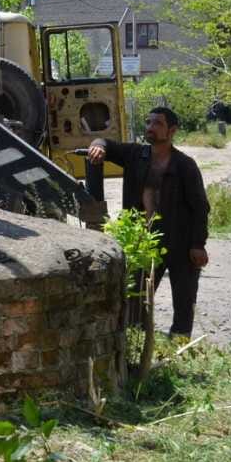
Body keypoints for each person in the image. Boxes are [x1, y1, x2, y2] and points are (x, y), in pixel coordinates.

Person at [87, 107, 211, 337]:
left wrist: (198, 244)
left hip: (180, 241)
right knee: (136, 298)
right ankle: (137, 343)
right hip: (144, 241)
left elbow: (200, 207)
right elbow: (103, 141)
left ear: (171, 131)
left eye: (157, 124)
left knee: (184, 301)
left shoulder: (185, 165)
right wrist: (99, 146)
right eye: (148, 122)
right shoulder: (135, 155)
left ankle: (179, 345)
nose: (150, 128)